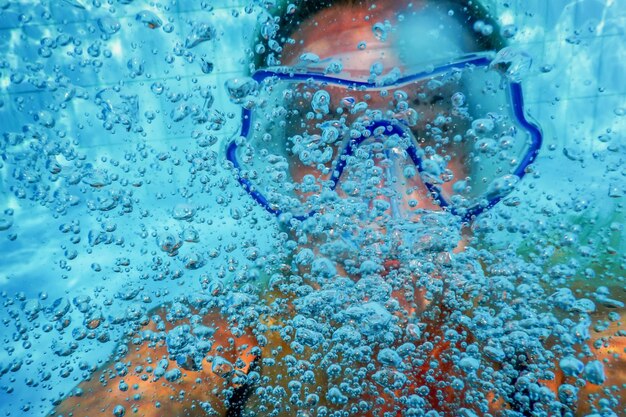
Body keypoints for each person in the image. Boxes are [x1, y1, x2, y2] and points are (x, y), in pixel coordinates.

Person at [53, 0, 622, 416]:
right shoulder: (191, 358)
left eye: (429, 125)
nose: (381, 188)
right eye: (326, 135)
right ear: (276, 165)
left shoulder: (577, 347)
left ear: (482, 156)